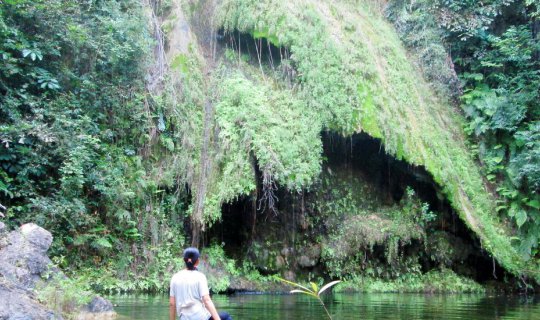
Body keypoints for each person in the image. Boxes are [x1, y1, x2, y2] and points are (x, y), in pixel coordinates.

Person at [169, 247, 232, 320]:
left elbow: (172, 304)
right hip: (201, 317)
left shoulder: (175, 277)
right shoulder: (200, 277)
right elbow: (207, 301)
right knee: (226, 316)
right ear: (197, 261)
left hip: (184, 318)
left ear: (184, 260)